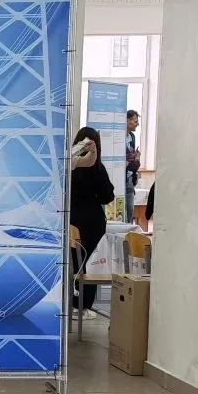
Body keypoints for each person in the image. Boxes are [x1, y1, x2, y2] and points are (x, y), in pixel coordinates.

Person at [70, 127, 115, 317]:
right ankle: (84, 306)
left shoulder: (68, 165)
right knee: (90, 264)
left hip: (70, 220)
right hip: (92, 221)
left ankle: (70, 303)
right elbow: (107, 196)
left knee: (72, 263)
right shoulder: (97, 168)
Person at [125, 110, 141, 223]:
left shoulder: (132, 137)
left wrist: (136, 158)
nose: (137, 124)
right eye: (135, 121)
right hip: (118, 178)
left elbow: (132, 163)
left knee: (130, 210)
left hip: (129, 179)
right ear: (127, 121)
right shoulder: (117, 137)